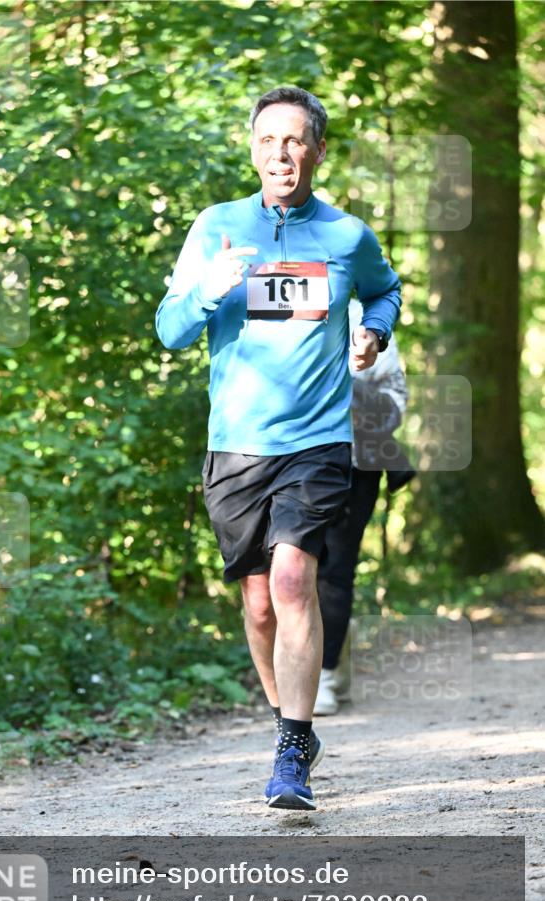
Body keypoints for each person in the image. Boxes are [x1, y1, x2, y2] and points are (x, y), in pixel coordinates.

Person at [155, 86, 401, 811]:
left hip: (318, 440)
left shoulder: (346, 236)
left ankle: (291, 752)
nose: (280, 154)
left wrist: (372, 332)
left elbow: (385, 292)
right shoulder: (217, 228)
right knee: (258, 605)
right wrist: (209, 287)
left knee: (294, 580)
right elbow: (171, 329)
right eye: (268, 141)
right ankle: (288, 725)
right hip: (236, 444)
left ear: (317, 151)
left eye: (294, 141)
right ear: (252, 150)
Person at [314, 300, 416, 715]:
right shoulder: (276, 304)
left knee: (336, 568)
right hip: (292, 458)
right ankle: (313, 663)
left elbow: (396, 399)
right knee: (291, 567)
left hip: (359, 464)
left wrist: (350, 387)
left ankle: (324, 672)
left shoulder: (366, 320)